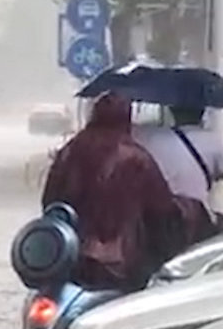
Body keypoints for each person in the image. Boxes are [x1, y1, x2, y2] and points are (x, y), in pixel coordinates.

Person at [42, 92, 185, 291]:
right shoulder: (137, 157)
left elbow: (50, 202)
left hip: (69, 256)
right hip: (122, 263)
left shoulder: (69, 151)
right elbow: (161, 209)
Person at [134, 105, 223, 240]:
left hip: (157, 220)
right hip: (196, 220)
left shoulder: (152, 136)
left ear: (171, 110)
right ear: (203, 113)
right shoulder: (210, 139)